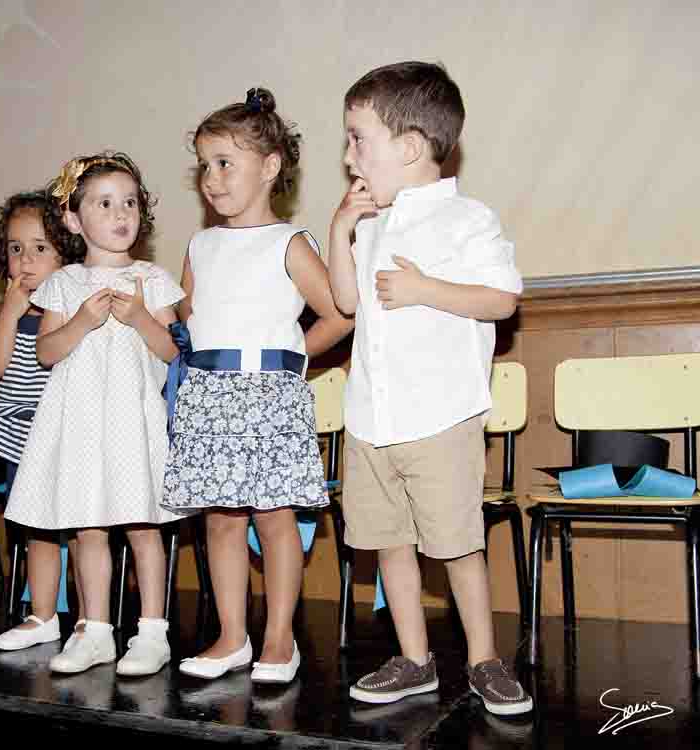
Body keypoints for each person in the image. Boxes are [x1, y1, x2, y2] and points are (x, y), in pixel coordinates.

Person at [327, 61, 532, 715]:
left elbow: (502, 298)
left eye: (359, 138)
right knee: (390, 539)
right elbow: (345, 301)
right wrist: (339, 230)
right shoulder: (372, 224)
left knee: (457, 545)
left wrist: (425, 291)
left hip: (439, 416)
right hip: (371, 418)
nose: (349, 153)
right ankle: (413, 659)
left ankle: (484, 661)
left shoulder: (466, 219)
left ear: (410, 146)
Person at [163, 88, 353, 685]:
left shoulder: (289, 243)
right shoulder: (201, 244)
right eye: (204, 166)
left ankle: (279, 638)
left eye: (225, 163)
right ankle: (231, 635)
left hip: (269, 395)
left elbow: (340, 314)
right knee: (220, 518)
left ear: (269, 167)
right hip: (207, 393)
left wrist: (294, 356)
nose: (211, 179)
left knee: (274, 516)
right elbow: (189, 321)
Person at [4, 152, 186, 677]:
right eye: (104, 203)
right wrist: (83, 320)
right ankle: (97, 630)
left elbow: (171, 351)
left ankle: (152, 631)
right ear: (74, 219)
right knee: (87, 528)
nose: (120, 213)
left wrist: (138, 318)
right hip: (81, 422)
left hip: (133, 421)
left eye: (129, 202)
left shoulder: (152, 279)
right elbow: (46, 353)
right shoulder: (62, 285)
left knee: (143, 525)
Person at [0, 190, 77, 651]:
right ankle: (42, 614)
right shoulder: (15, 311)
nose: (26, 260)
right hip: (21, 436)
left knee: (81, 527)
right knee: (38, 527)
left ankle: (88, 616)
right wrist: (8, 313)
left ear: (66, 253)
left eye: (40, 248)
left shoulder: (73, 311)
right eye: (16, 249)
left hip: (66, 432)